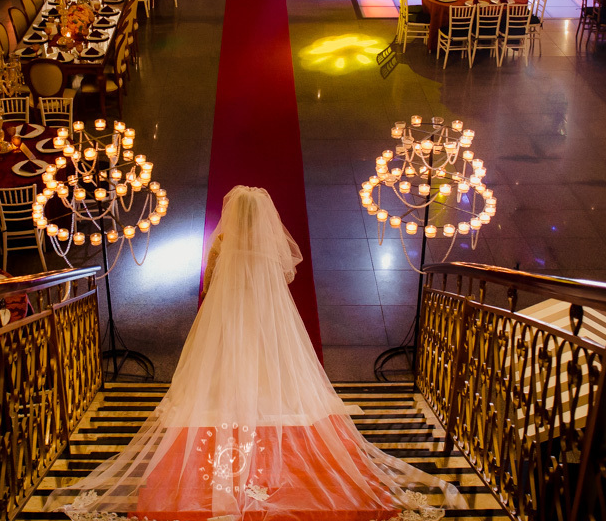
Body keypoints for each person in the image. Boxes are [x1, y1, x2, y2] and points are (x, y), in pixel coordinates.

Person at [49, 186, 464, 521]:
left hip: (228, 315)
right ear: (263, 219)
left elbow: (209, 284)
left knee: (223, 366)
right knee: (270, 366)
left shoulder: (223, 242)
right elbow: (285, 277)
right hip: (266, 318)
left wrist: (222, 294)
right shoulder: (267, 244)